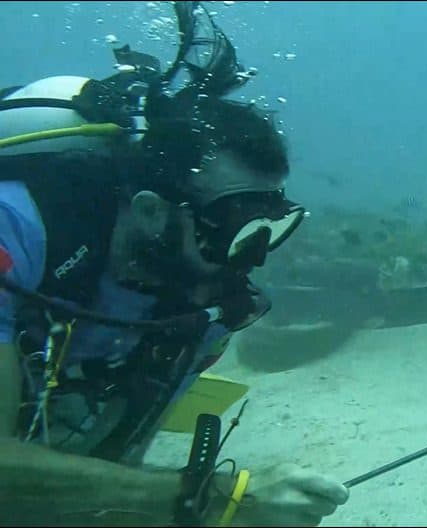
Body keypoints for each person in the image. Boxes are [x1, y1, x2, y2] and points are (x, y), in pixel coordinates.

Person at [0, 4, 348, 526]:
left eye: (273, 227)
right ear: (150, 211)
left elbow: (118, 475)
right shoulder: (18, 230)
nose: (250, 258)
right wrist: (213, 496)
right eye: (233, 230)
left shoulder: (203, 317)